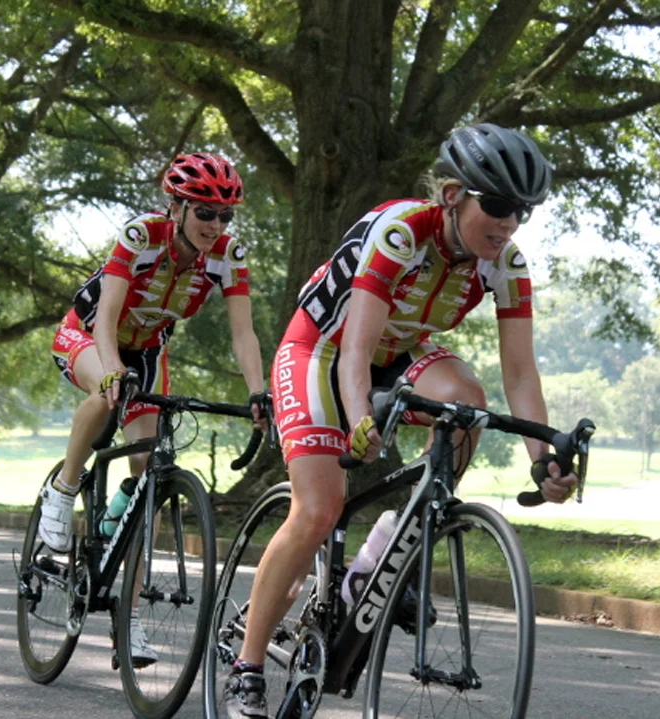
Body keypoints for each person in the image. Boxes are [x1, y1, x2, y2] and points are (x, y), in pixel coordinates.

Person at [221, 124, 580, 718]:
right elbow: (354, 350)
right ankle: (248, 668)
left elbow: (520, 373)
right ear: (451, 195)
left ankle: (393, 543)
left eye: (521, 212)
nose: (508, 223)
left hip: (396, 355)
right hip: (323, 350)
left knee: (468, 403)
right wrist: (361, 420)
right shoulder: (400, 232)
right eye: (495, 205)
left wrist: (543, 461)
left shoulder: (505, 265)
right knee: (318, 510)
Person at [39, 152, 267, 663]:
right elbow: (107, 317)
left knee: (151, 478)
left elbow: (243, 331)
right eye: (204, 212)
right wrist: (113, 369)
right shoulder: (142, 236)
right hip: (90, 336)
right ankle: (64, 489)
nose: (215, 224)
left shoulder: (228, 256)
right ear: (177, 206)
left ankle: (129, 614)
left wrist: (259, 390)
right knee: (106, 394)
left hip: (147, 353)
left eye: (225, 215)